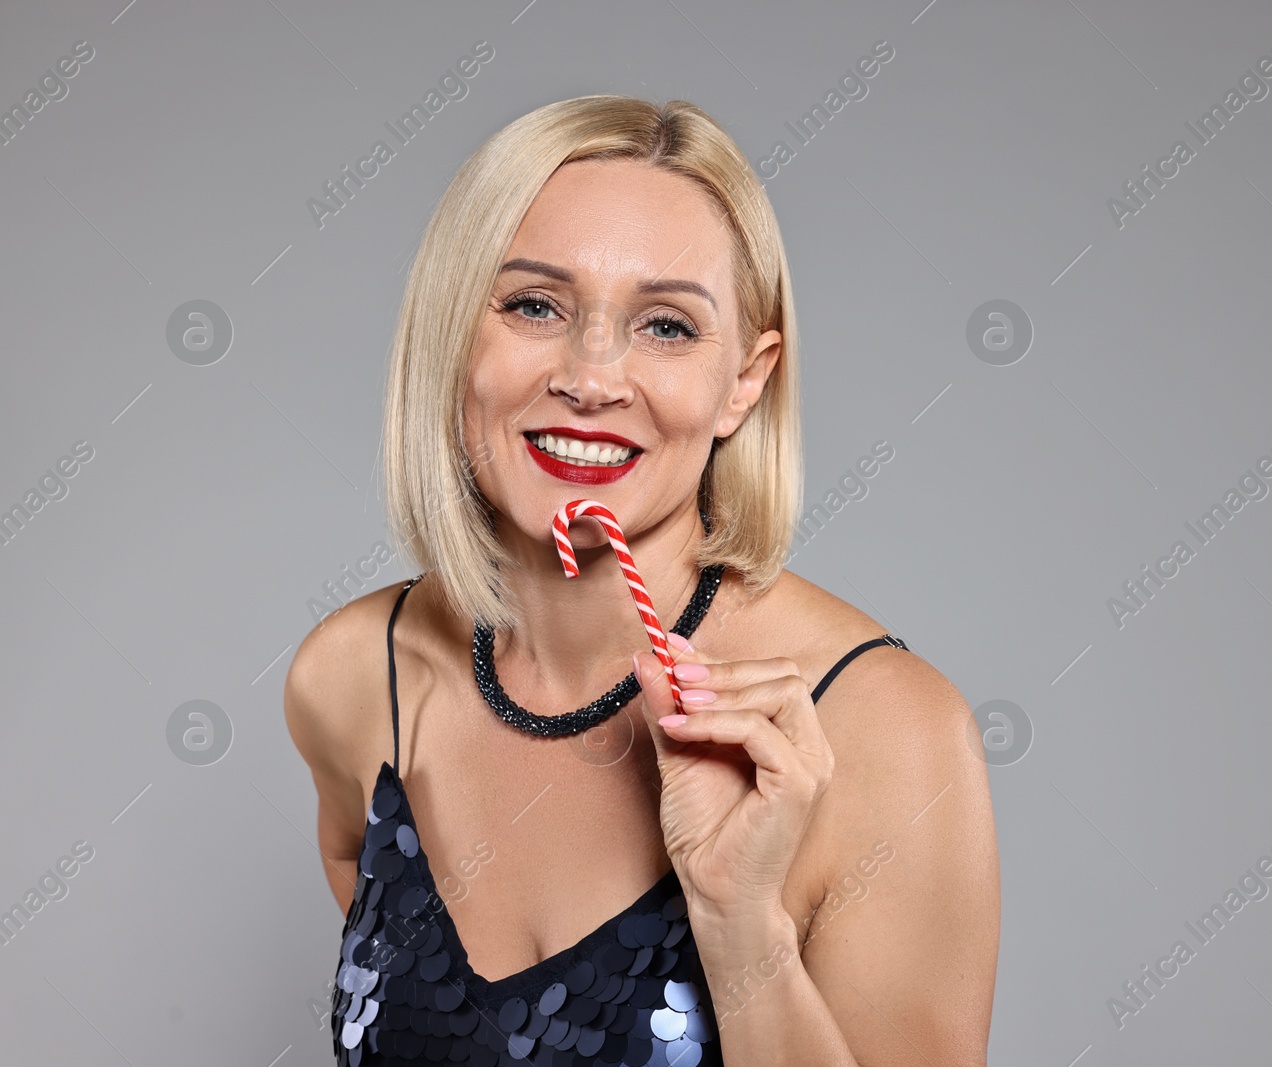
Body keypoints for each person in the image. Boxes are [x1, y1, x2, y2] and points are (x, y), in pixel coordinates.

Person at [284, 95, 999, 1066]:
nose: (591, 375)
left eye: (665, 326)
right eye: (534, 304)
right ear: (454, 336)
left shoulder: (888, 730)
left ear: (742, 381)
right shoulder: (357, 676)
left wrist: (736, 916)